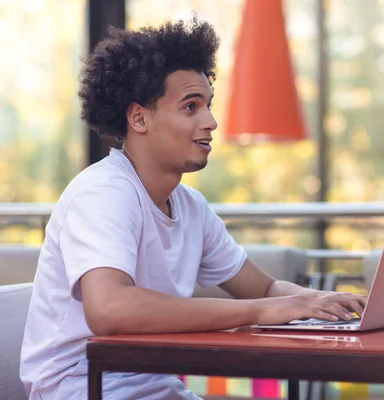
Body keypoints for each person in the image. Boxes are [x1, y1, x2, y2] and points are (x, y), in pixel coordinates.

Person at [19, 17, 366, 400]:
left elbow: (263, 287)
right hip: (82, 389)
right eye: (190, 107)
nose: (211, 121)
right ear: (139, 117)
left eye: (208, 105)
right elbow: (110, 308)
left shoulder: (191, 206)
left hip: (155, 387)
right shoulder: (103, 193)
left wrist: (323, 305)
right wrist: (258, 311)